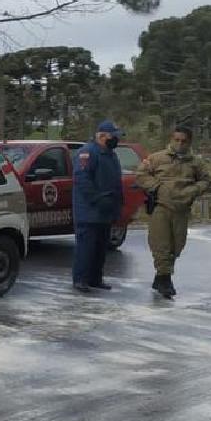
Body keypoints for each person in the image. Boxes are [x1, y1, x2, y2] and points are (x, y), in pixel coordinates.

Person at [134, 126, 211, 297]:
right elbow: (141, 175)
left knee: (177, 245)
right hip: (161, 206)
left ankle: (161, 275)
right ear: (171, 139)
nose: (179, 143)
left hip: (182, 208)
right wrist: (158, 187)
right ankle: (165, 279)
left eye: (183, 141)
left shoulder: (196, 162)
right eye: (176, 139)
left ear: (189, 142)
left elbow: (206, 180)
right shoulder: (156, 158)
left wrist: (192, 190)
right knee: (161, 243)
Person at [72, 120, 125, 293]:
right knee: (86, 247)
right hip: (89, 210)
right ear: (101, 136)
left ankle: (95, 279)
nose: (117, 140)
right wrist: (97, 199)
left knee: (101, 248)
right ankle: (81, 279)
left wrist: (117, 204)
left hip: (106, 210)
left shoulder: (111, 155)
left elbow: (116, 181)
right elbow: (82, 180)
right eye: (114, 136)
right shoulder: (87, 153)